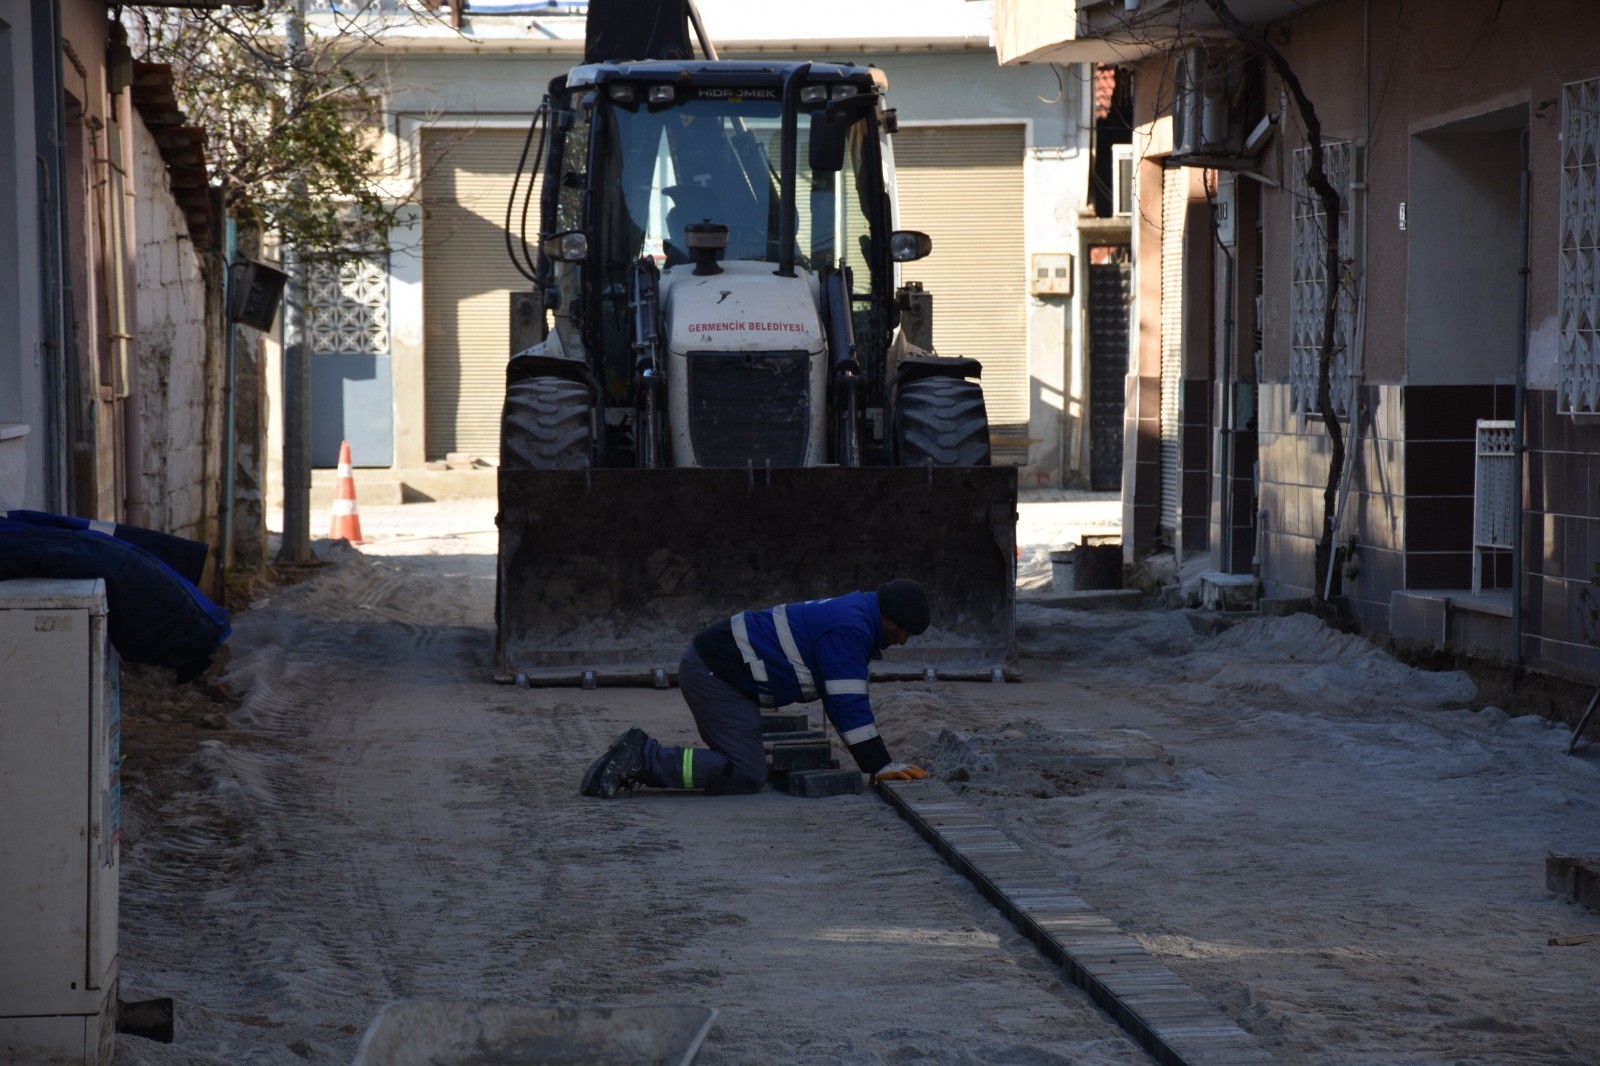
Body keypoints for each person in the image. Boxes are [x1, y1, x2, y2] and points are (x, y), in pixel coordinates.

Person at [580, 579, 933, 798]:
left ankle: (647, 756)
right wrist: (880, 765)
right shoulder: (851, 628)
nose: (902, 643)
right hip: (715, 673)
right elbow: (847, 705)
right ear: (890, 620)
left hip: (723, 672)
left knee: (745, 763)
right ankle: (644, 758)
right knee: (748, 772)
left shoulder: (857, 611)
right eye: (905, 633)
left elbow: (839, 698)